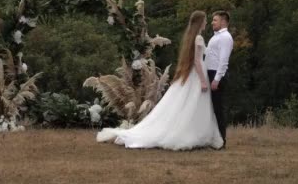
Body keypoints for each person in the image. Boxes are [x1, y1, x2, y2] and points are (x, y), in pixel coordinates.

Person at [96, 10, 224, 150]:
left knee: (186, 105)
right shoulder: (198, 38)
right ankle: (193, 133)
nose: (207, 22)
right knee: (194, 105)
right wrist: (203, 81)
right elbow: (198, 62)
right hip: (197, 75)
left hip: (191, 75)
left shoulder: (190, 37)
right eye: (205, 20)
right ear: (200, 22)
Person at [205, 11, 234, 148]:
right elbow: (211, 55)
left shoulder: (225, 38)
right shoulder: (216, 37)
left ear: (223, 21)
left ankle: (221, 141)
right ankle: (214, 138)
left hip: (217, 74)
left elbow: (223, 61)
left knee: (219, 109)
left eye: (215, 20)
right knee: (213, 107)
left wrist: (216, 79)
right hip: (211, 72)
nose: (212, 22)